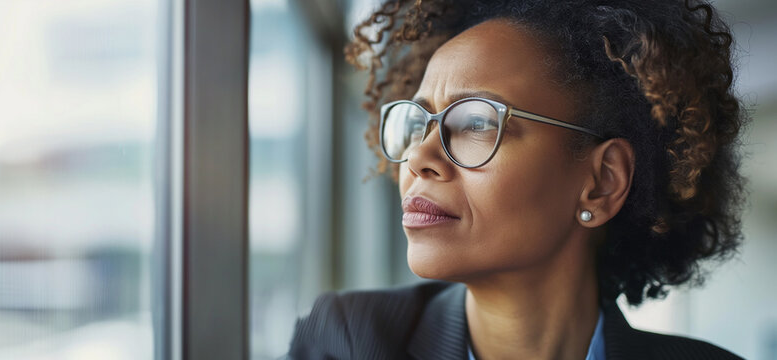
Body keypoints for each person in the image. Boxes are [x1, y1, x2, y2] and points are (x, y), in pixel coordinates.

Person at [287, 0, 748, 359]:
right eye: (418, 122)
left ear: (602, 182)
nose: (419, 158)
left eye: (476, 123)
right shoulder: (345, 341)